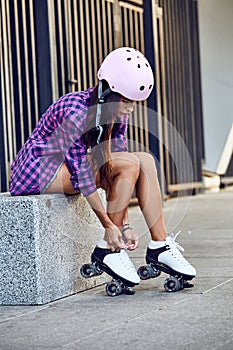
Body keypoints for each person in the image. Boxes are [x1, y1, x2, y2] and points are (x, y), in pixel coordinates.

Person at [10, 47, 196, 289]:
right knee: (130, 161)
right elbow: (83, 176)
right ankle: (110, 249)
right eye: (127, 101)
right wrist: (108, 226)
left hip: (65, 169)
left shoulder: (117, 114)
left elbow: (117, 172)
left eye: (135, 102)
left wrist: (125, 226)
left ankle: (160, 245)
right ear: (107, 91)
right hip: (38, 172)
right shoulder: (75, 111)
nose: (130, 108)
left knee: (144, 160)